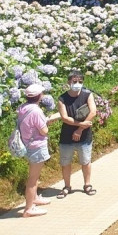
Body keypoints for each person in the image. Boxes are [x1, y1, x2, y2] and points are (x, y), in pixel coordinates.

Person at [19, 83, 59, 217]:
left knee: (34, 176)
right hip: (36, 147)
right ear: (39, 96)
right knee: (33, 178)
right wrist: (49, 121)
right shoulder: (36, 111)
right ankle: (29, 208)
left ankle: (35, 198)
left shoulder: (23, 108)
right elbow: (44, 131)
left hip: (27, 145)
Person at [57, 70, 97, 199]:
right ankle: (67, 186)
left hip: (84, 136)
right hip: (66, 137)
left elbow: (93, 112)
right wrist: (82, 125)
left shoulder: (87, 95)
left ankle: (87, 185)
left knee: (85, 161)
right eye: (74, 81)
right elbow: (65, 118)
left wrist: (80, 129)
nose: (77, 84)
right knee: (65, 163)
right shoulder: (62, 98)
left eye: (80, 81)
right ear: (69, 82)